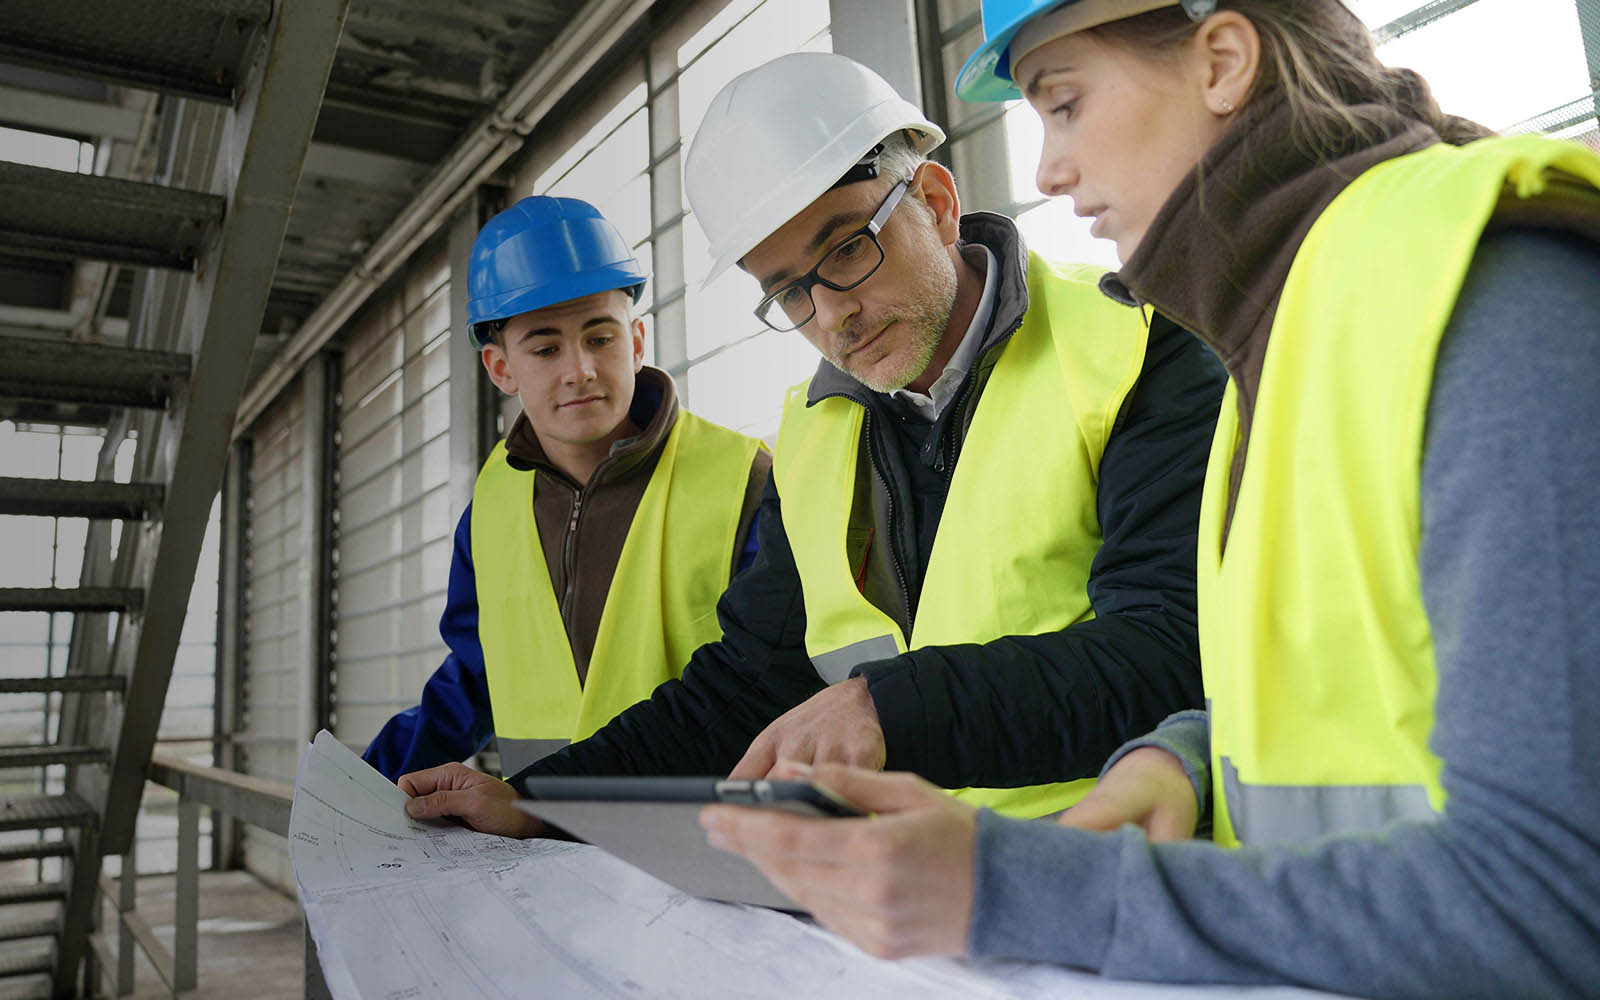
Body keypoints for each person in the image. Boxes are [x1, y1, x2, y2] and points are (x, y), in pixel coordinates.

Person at [697, 2, 1600, 997]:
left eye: (1065, 105)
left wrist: (1024, 888)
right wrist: (1184, 756)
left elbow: (1556, 898)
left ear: (1221, 61)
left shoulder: (1494, 299)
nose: (1046, 170)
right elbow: (1331, 677)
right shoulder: (1293, 336)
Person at [397, 52, 1224, 832]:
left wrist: (885, 707)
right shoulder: (818, 434)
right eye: (789, 291)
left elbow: (1168, 648)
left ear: (935, 203)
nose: (831, 315)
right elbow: (748, 684)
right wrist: (537, 800)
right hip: (898, 904)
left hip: (1104, 869)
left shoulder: (1135, 351)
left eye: (846, 252)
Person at [363, 195, 769, 781]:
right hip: (545, 846)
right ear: (501, 369)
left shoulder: (742, 479)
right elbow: (477, 678)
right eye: (546, 348)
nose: (578, 368)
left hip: (707, 842)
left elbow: (768, 675)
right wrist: (362, 785)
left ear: (635, 342)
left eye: (600, 338)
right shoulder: (493, 509)